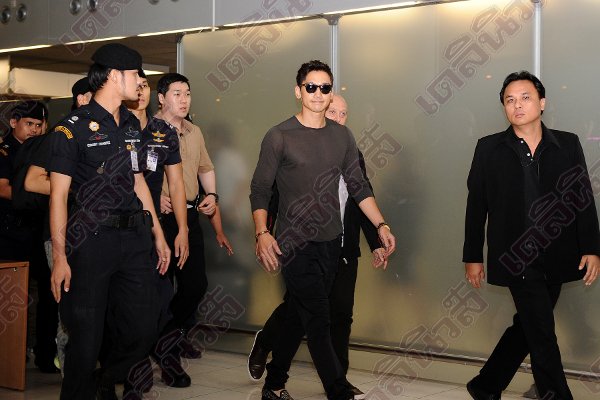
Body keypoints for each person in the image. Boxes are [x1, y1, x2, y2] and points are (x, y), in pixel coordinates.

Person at [250, 60, 396, 400]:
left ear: (332, 92)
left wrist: (381, 224)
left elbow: (358, 186)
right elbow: (260, 189)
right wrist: (262, 233)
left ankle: (273, 383)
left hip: (331, 242)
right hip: (294, 244)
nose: (318, 93)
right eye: (311, 87)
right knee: (318, 318)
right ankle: (338, 389)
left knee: (298, 317)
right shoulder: (279, 136)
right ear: (298, 91)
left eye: (325, 87)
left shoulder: (342, 136)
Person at [463, 71, 600, 400]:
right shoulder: (489, 148)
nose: (517, 105)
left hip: (557, 252)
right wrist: (472, 256)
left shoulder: (567, 144)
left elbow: (582, 197)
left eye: (525, 97)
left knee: (529, 325)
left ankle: (486, 385)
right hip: (515, 256)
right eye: (509, 100)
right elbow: (476, 205)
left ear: (542, 103)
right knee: (542, 332)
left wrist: (592, 247)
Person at [48, 43, 170, 399]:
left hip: (133, 238)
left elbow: (137, 181)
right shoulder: (72, 129)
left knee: (144, 330)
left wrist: (158, 233)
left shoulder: (131, 125)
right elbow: (58, 197)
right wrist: (60, 257)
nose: (141, 83)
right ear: (115, 76)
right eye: (136, 75)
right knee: (86, 340)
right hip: (91, 240)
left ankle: (103, 379)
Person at [151, 72, 233, 388]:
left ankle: (164, 338)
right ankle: (166, 353)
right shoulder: (148, 130)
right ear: (161, 98)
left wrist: (212, 195)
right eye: (177, 93)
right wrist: (154, 197)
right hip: (160, 220)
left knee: (195, 285)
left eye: (187, 93)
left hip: (189, 215)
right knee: (160, 290)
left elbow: (205, 168)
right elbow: (134, 174)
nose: (184, 99)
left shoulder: (193, 131)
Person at [24, 77, 94, 375]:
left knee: (90, 306)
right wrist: (74, 187)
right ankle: (70, 375)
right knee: (69, 305)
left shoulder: (105, 133)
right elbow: (31, 182)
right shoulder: (62, 134)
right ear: (82, 99)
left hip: (94, 233)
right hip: (62, 233)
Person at [0, 101, 58, 373]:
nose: (34, 130)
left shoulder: (45, 149)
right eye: (29, 124)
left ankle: (45, 353)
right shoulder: (4, 151)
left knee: (49, 294)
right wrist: (34, 194)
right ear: (14, 122)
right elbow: (3, 188)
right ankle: (11, 354)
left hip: (39, 231)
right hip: (10, 233)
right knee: (13, 296)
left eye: (39, 125)